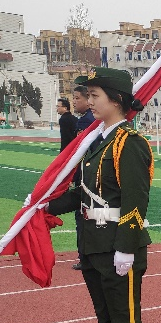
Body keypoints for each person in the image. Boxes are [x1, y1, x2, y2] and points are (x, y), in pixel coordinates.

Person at [46, 67, 154, 323]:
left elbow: (136, 202)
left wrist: (126, 247)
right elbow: (85, 193)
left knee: (124, 318)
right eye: (88, 95)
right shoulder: (99, 140)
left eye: (95, 96)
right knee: (106, 319)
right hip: (94, 242)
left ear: (117, 100)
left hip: (118, 245)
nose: (89, 102)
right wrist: (46, 202)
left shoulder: (130, 144)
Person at [71, 82, 95, 270]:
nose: (74, 102)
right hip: (90, 177)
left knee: (84, 218)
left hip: (86, 178)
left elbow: (80, 153)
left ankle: (85, 256)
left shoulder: (86, 121)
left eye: (77, 98)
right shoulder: (88, 119)